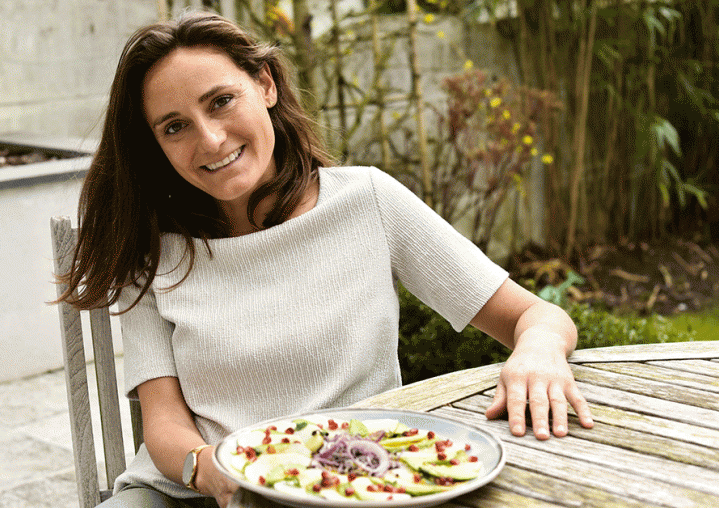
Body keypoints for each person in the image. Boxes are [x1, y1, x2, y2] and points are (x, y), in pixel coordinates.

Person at [57, 10, 594, 508]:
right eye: (175, 127)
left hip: (349, 481)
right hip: (191, 491)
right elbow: (165, 424)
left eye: (221, 101)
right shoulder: (153, 252)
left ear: (265, 85)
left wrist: (538, 352)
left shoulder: (368, 202)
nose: (211, 138)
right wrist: (215, 473)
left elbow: (536, 315)